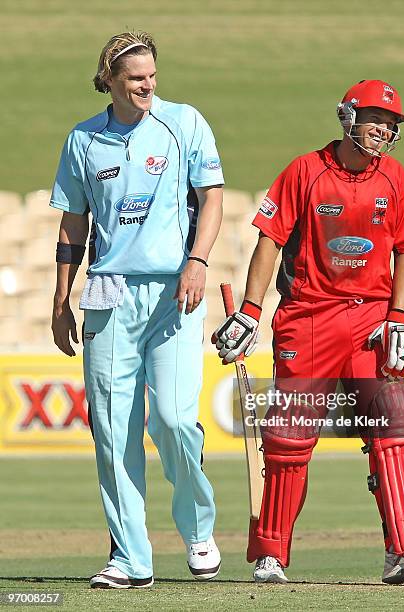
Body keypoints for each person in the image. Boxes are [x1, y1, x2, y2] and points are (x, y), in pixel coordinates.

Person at [213, 80, 404, 585]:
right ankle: (271, 555)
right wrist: (250, 312)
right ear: (347, 117)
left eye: (392, 124)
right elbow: (270, 241)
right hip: (309, 316)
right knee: (290, 438)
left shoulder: (395, 178)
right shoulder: (305, 171)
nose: (383, 130)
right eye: (375, 119)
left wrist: (399, 318)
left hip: (371, 319)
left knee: (395, 431)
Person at [50, 31, 224, 588]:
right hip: (108, 294)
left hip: (176, 291)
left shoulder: (184, 123)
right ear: (110, 80)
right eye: (135, 78)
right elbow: (72, 224)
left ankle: (198, 530)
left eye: (152, 75)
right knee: (111, 429)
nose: (147, 85)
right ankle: (130, 558)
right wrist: (61, 297)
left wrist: (197, 261)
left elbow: (212, 195)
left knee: (173, 420)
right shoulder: (83, 140)